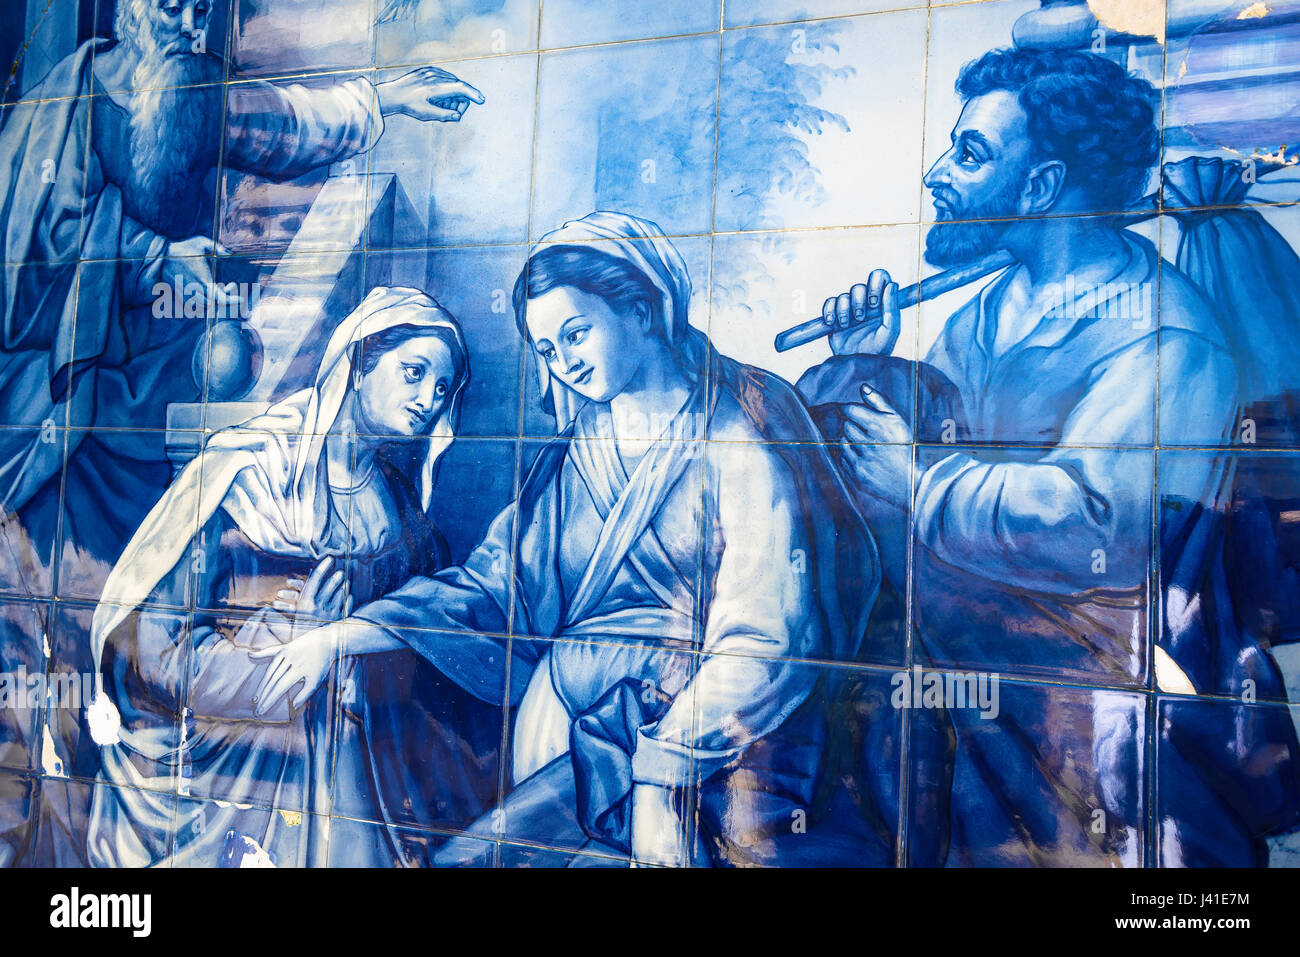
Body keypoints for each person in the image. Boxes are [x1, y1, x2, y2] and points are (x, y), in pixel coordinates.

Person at [253, 211, 892, 867]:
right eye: (549, 349)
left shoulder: (733, 444)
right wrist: (341, 636)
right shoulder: (575, 455)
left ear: (643, 311)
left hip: (704, 755)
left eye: (576, 332)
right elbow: (494, 589)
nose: (564, 362)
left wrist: (660, 772)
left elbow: (763, 637)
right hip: (581, 749)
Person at [0, 0, 485, 863]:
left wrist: (380, 100)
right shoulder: (71, 107)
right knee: (42, 671)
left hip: (114, 446)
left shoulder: (393, 506)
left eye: (441, 385)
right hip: (45, 441)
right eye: (412, 373)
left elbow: (253, 126)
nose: (187, 15)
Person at [820, 47, 1300, 866]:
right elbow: (936, 473)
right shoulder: (985, 317)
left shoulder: (1162, 335)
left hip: (1099, 714)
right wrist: (869, 365)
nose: (939, 172)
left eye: (970, 154)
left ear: (1040, 187)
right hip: (987, 683)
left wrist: (923, 483)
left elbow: (1098, 526)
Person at [83, 287, 500, 867]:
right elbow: (154, 655)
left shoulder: (403, 516)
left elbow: (426, 650)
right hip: (236, 759)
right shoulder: (248, 474)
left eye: (442, 388)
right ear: (357, 364)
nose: (429, 398)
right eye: (413, 372)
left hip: (357, 755)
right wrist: (287, 644)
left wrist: (349, 646)